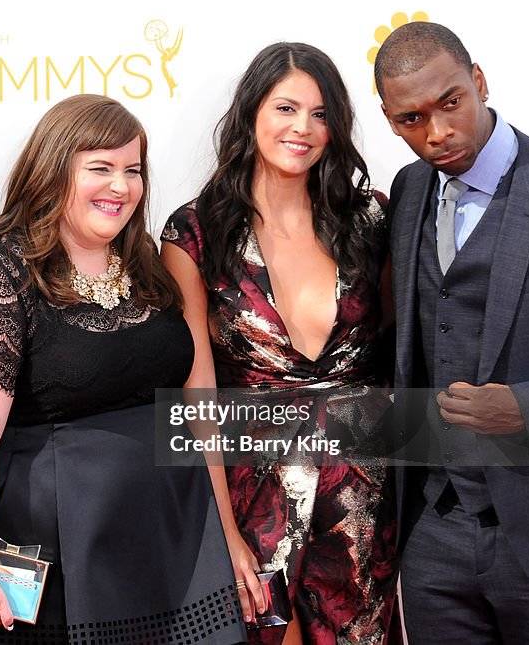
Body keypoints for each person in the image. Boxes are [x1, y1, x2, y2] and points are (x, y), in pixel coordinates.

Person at [0, 94, 247, 645]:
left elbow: (191, 405)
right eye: (100, 168)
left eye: (133, 170)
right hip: (55, 555)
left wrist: (224, 530)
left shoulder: (145, 262)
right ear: (52, 169)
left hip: (166, 542)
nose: (120, 186)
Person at [161, 43, 397, 644]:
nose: (303, 128)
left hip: (364, 510)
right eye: (286, 108)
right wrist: (223, 530)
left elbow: (406, 358)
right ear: (251, 115)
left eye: (320, 114)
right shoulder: (195, 232)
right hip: (255, 504)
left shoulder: (373, 221)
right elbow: (198, 394)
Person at [375, 21, 529, 644]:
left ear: (479, 81)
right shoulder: (407, 193)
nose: (436, 133)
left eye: (451, 102)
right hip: (433, 532)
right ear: (388, 120)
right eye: (410, 120)